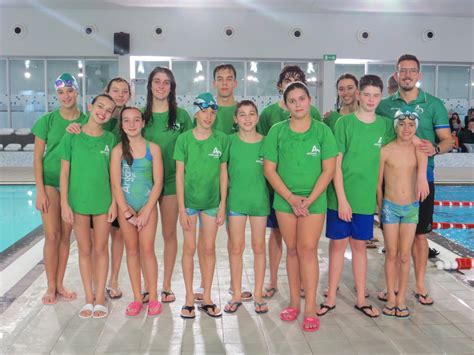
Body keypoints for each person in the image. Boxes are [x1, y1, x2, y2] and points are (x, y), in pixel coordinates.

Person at [377, 54, 451, 306]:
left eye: (412, 71)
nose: (407, 75)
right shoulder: (385, 106)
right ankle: (393, 287)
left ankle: (419, 285)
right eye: (402, 71)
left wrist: (437, 149)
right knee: (392, 242)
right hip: (392, 177)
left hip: (422, 179)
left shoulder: (434, 104)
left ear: (419, 75)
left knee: (420, 236)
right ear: (396, 75)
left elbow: (448, 139)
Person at [263, 81, 337, 332]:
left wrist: (309, 199)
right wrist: (292, 198)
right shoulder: (277, 131)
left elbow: (328, 170)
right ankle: (294, 302)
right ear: (285, 104)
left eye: (302, 99)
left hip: (314, 201)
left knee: (308, 249)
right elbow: (269, 169)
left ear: (309, 100)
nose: (297, 104)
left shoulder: (323, 131)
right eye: (292, 100)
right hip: (285, 200)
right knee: (292, 249)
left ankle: (310, 307)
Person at [320, 75, 395, 319]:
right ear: (359, 95)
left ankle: (361, 298)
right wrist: (341, 199)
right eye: (367, 94)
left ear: (380, 97)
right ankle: (330, 297)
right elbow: (336, 164)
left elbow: (399, 148)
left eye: (376, 95)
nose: (371, 99)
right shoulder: (344, 123)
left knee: (360, 247)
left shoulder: (385, 125)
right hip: (340, 197)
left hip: (364, 200)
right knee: (337, 247)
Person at [257, 65, 322, 299]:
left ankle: (304, 285)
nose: (297, 103)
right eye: (287, 80)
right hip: (278, 189)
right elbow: (264, 150)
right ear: (279, 87)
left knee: (304, 246)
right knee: (277, 235)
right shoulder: (269, 118)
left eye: (297, 80)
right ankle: (273, 280)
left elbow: (324, 161)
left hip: (308, 193)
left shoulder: (314, 117)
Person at [66, 77, 132, 299]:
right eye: (116, 90)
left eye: (125, 91)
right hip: (85, 198)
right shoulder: (80, 127)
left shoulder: (124, 122)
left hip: (110, 193)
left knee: (115, 238)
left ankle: (111, 282)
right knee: (90, 245)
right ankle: (93, 287)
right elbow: (67, 167)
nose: (120, 94)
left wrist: (116, 201)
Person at [194, 64, 254, 302]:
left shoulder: (242, 111)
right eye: (220, 79)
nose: (225, 83)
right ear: (214, 83)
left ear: (236, 83)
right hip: (208, 184)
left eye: (230, 79)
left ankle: (234, 283)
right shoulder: (207, 110)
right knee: (204, 237)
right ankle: (202, 283)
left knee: (235, 236)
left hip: (236, 184)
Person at [60, 94, 117, 318]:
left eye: (109, 110)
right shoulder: (72, 136)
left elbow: (114, 176)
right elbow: (65, 173)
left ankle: (100, 297)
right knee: (84, 250)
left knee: (101, 249)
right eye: (100, 106)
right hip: (78, 202)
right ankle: (88, 297)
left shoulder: (110, 139)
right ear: (90, 107)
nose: (103, 111)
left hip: (103, 202)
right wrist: (65, 203)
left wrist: (113, 201)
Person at [32, 73, 87, 305]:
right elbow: (37, 159)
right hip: (50, 182)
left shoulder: (87, 121)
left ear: (77, 91)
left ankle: (60, 283)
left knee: (66, 236)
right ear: (57, 95)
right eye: (61, 93)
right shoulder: (48, 121)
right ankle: (50, 285)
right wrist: (40, 190)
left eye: (70, 91)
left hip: (72, 185)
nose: (66, 96)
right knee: (52, 235)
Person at [174, 93, 229, 319]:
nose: (208, 116)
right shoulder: (184, 139)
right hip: (189, 204)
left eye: (213, 112)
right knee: (189, 249)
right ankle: (188, 298)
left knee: (208, 249)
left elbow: (223, 173)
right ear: (195, 112)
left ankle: (206, 297)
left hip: (211, 204)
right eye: (204, 111)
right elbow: (179, 175)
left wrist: (223, 204)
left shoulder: (221, 139)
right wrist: (180, 208)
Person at [143, 67, 193, 303]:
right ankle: (148, 284)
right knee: (146, 239)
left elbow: (191, 149)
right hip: (145, 185)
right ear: (150, 85)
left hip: (173, 183)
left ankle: (165, 285)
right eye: (157, 81)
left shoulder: (181, 117)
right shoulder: (141, 116)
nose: (161, 86)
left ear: (172, 88)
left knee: (169, 233)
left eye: (166, 83)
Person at [110, 107, 164, 316]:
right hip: (127, 209)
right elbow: (116, 185)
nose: (131, 124)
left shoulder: (153, 149)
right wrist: (127, 212)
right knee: (132, 251)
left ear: (142, 123)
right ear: (122, 126)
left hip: (147, 207)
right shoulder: (117, 151)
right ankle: (136, 298)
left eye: (135, 120)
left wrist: (146, 211)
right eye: (126, 121)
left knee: (147, 250)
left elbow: (158, 183)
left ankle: (153, 297)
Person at [377, 108, 428, 318]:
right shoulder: (385, 150)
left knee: (405, 256)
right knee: (391, 253)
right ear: (395, 126)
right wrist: (379, 208)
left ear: (416, 127)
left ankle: (401, 298)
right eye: (401, 124)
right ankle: (390, 296)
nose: (406, 129)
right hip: (390, 206)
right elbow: (378, 184)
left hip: (411, 208)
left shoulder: (419, 150)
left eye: (411, 125)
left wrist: (423, 177)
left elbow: (423, 171)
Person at [224, 100, 269, 314]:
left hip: (259, 201)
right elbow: (223, 174)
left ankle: (258, 293)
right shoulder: (229, 141)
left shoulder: (266, 142)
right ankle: (236, 293)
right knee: (236, 247)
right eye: (242, 114)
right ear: (235, 119)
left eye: (252, 114)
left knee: (259, 247)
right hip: (236, 202)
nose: (247, 118)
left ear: (257, 117)